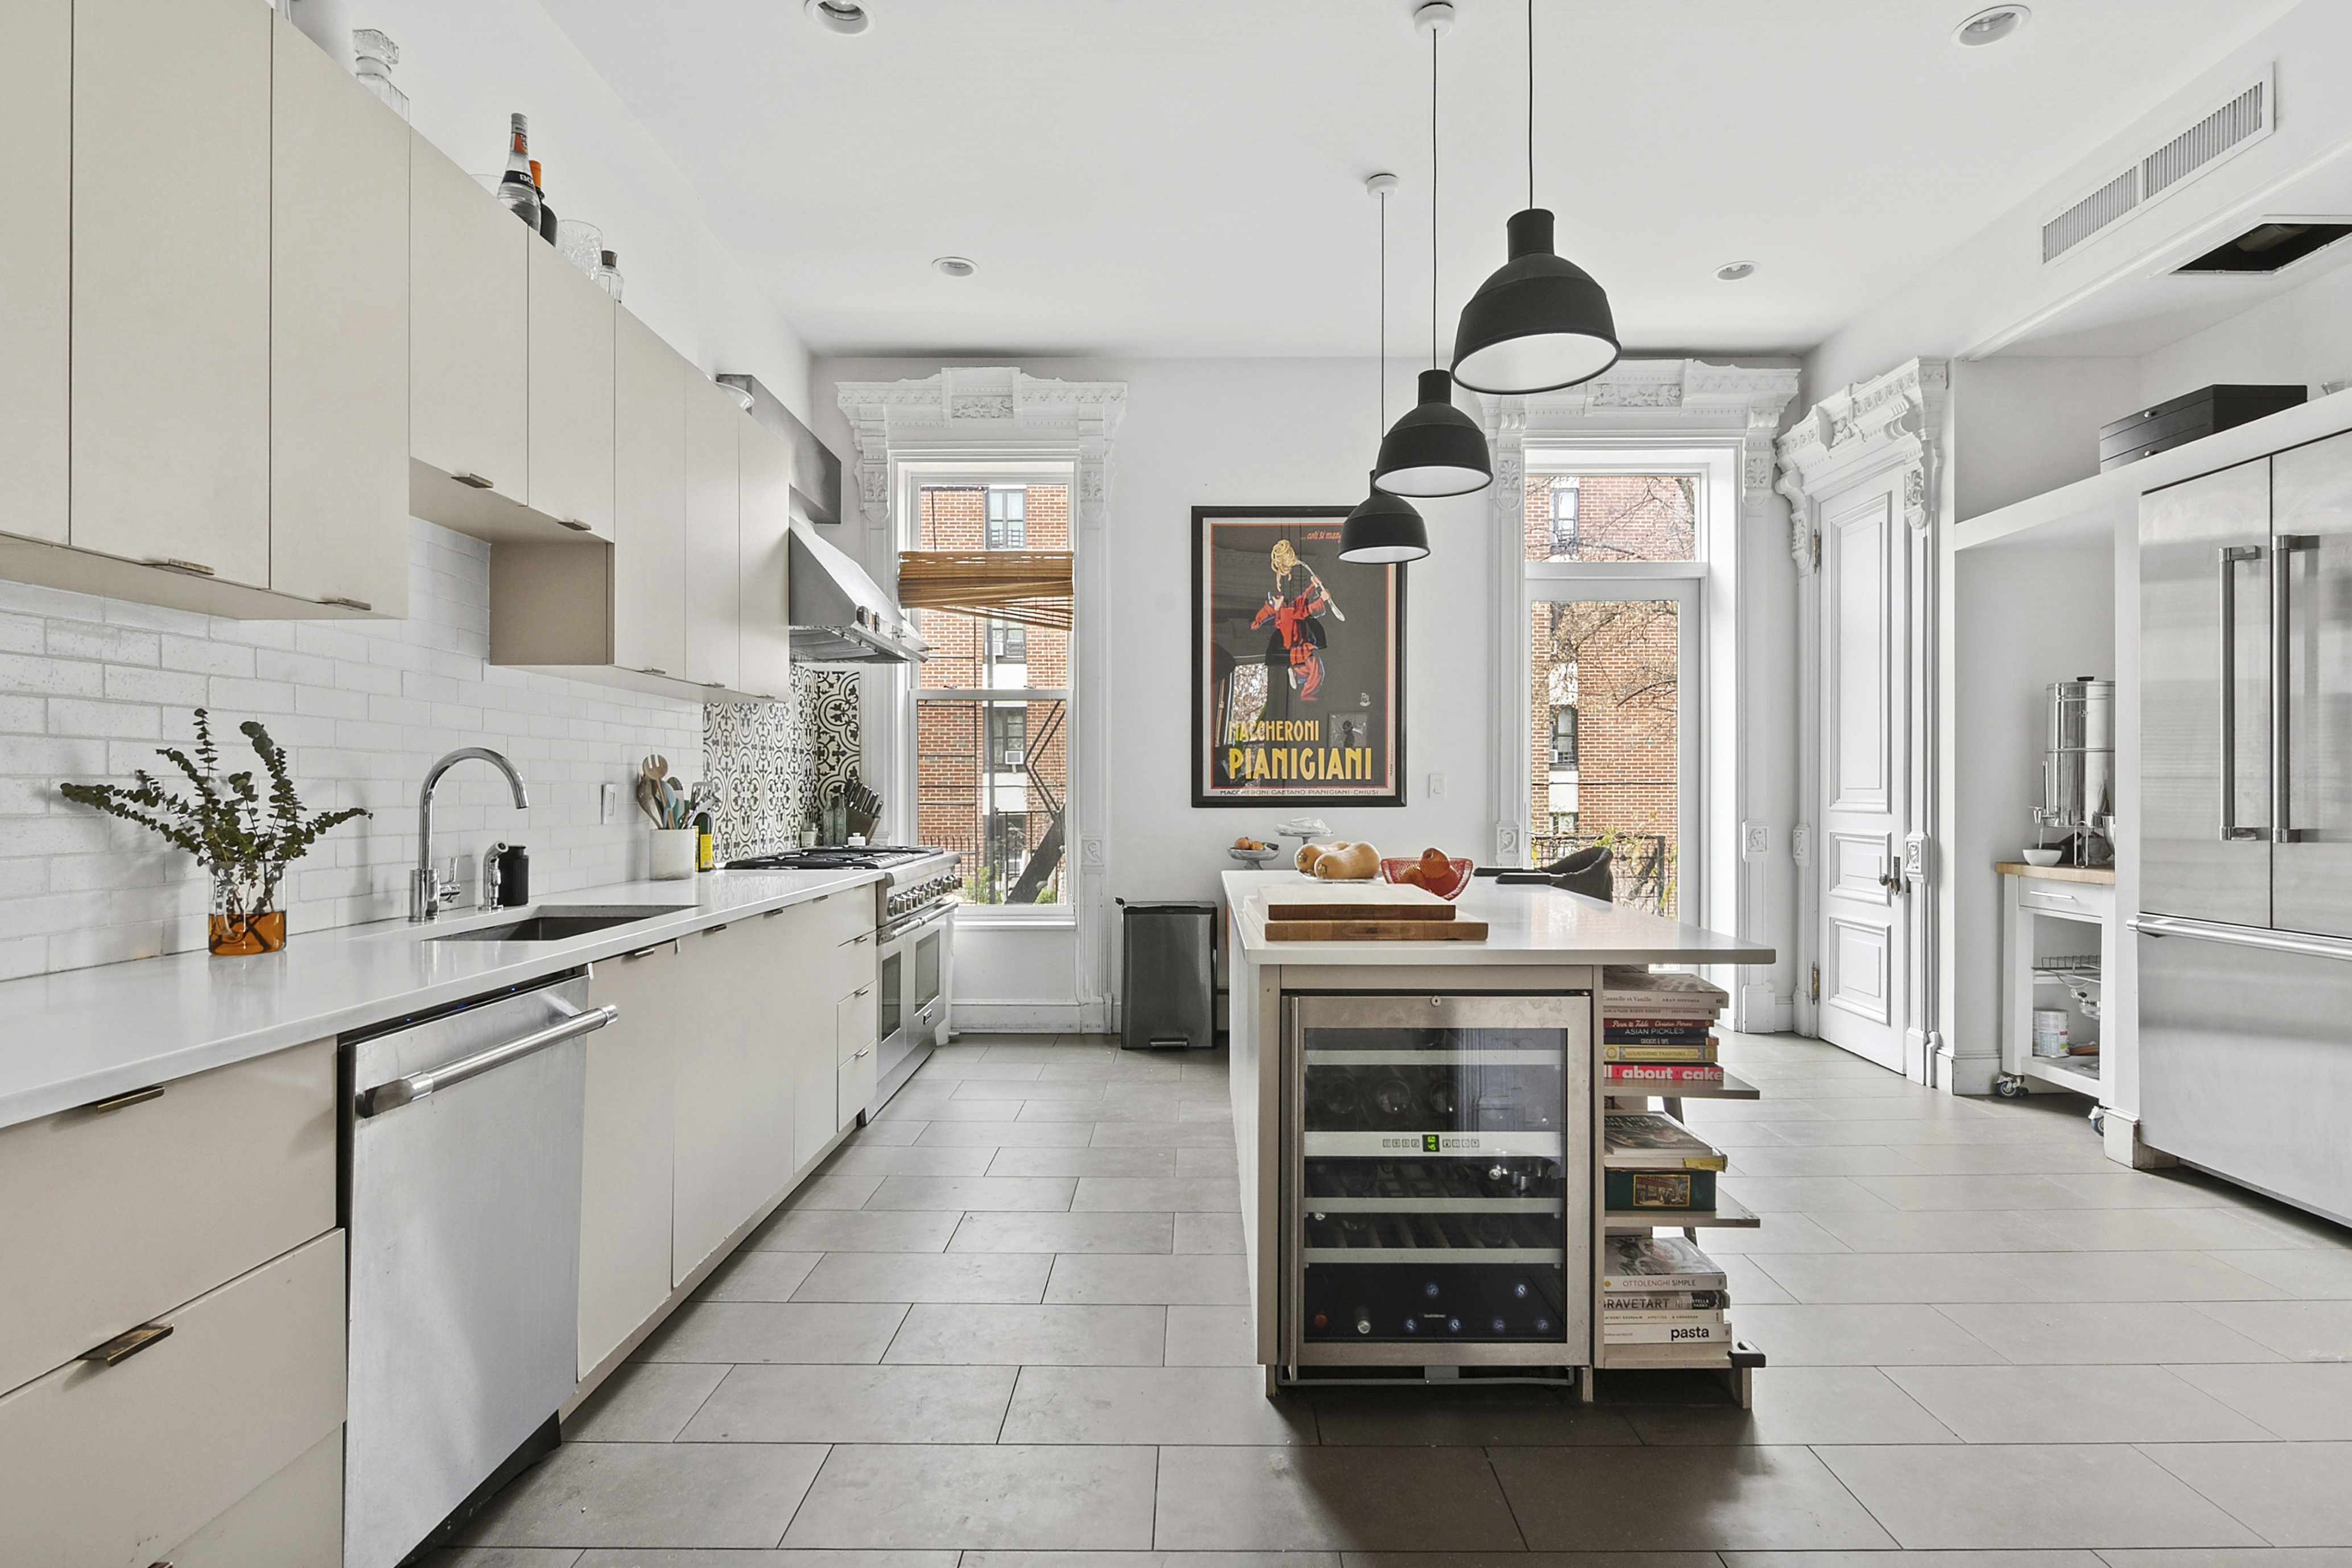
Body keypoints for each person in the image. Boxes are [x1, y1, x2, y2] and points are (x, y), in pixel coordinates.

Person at [1252, 538, 1342, 703]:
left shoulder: (1288, 608)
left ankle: (1296, 675)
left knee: (1311, 668)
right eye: (1276, 599)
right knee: (1316, 670)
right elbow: (1306, 610)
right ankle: (1307, 694)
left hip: (1298, 645)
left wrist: (1313, 586)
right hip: (1298, 644)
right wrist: (1322, 598)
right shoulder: (1286, 613)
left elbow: (1303, 599)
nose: (1280, 597)